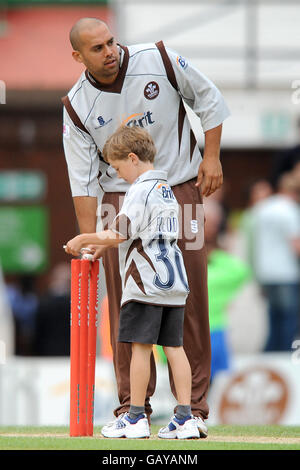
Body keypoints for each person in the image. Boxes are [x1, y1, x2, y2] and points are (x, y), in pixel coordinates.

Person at [62, 17, 230, 436]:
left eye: (111, 42)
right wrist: (91, 246)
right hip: (119, 198)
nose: (110, 52)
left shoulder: (159, 58)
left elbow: (209, 99)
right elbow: (82, 181)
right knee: (127, 308)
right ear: (77, 57)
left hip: (181, 189)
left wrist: (211, 157)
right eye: (97, 49)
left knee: (189, 297)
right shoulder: (76, 105)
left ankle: (193, 410)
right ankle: (130, 407)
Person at [65, 126, 200, 439]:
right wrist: (102, 244)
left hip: (145, 281)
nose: (116, 172)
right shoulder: (167, 188)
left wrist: (84, 237)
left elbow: (119, 233)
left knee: (140, 348)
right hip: (174, 283)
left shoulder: (140, 190)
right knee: (175, 348)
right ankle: (185, 416)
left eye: (117, 166)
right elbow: (139, 233)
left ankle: (136, 416)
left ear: (133, 158)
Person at [250, 172, 300, 351]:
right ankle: (285, 361)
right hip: (286, 273)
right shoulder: (291, 210)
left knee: (274, 320)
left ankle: (269, 357)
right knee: (289, 322)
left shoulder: (262, 208)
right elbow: (296, 246)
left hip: (266, 272)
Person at [204, 198, 251, 381]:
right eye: (205, 222)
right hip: (186, 332)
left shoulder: (222, 259)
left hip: (215, 328)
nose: (210, 227)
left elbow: (241, 271)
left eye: (214, 223)